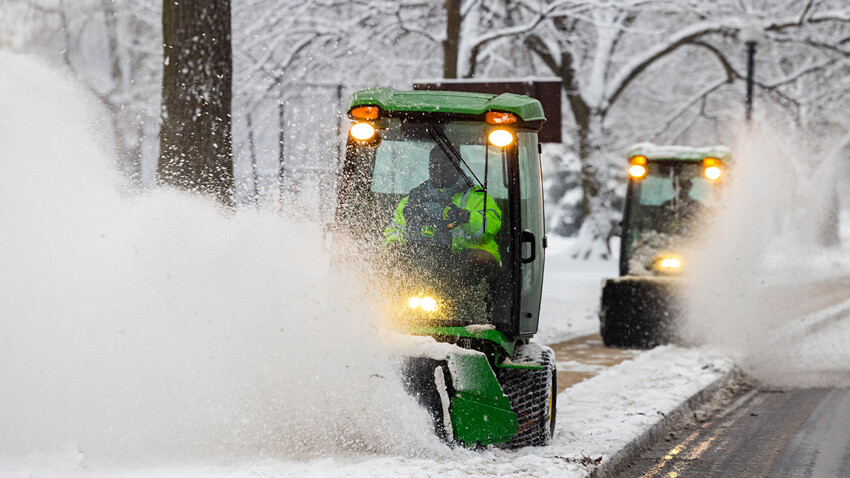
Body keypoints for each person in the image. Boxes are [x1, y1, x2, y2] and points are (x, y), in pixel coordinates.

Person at [384, 145, 502, 268]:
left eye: (445, 165)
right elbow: (396, 228)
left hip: (464, 257)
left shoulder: (478, 196)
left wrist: (467, 217)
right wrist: (394, 244)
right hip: (423, 257)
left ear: (457, 165)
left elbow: (489, 229)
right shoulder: (413, 199)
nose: (439, 170)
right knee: (397, 261)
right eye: (434, 165)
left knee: (481, 259)